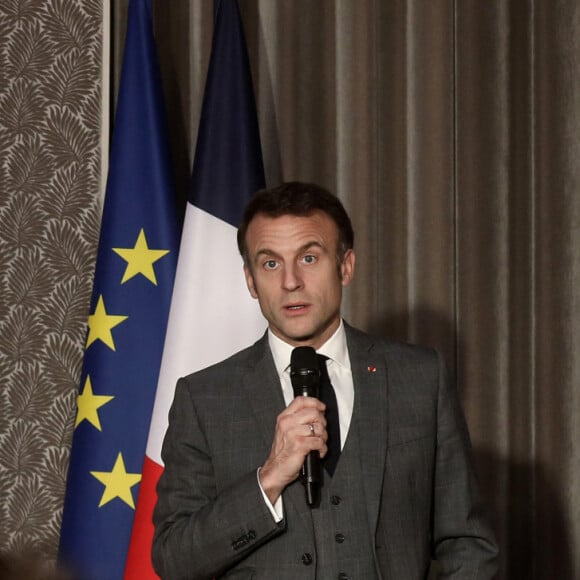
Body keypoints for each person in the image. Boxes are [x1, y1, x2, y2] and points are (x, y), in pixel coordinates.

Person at [152, 182, 499, 579]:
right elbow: (174, 559)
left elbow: (468, 544)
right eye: (270, 264)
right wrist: (268, 480)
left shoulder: (420, 377)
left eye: (309, 258)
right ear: (250, 281)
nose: (290, 282)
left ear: (345, 266)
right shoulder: (204, 398)